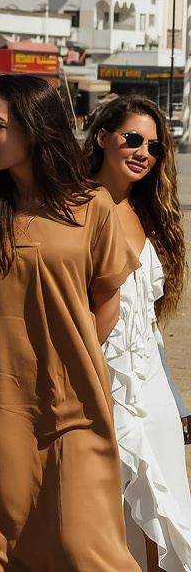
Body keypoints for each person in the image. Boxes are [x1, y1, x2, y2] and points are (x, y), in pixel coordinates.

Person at [0, 73, 139, 571]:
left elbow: (107, 298)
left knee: (88, 543)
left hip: (77, 401)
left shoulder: (91, 206)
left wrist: (77, 350)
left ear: (35, 127)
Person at [85, 95, 191, 570]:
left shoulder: (150, 214)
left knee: (165, 507)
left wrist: (177, 401)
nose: (143, 151)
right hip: (97, 377)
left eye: (154, 145)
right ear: (103, 137)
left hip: (150, 385)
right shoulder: (74, 207)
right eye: (131, 138)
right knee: (113, 509)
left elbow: (146, 324)